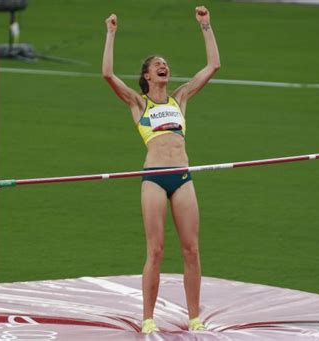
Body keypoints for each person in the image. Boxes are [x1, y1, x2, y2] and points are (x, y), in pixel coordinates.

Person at [102, 6, 220, 334]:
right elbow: (108, 75)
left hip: (182, 177)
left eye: (165, 64)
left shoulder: (180, 99)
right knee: (155, 249)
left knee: (191, 248)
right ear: (147, 77)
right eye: (157, 65)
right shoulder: (140, 104)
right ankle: (148, 318)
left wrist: (206, 26)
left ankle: (194, 318)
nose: (163, 66)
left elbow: (213, 66)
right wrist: (111, 33)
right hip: (154, 178)